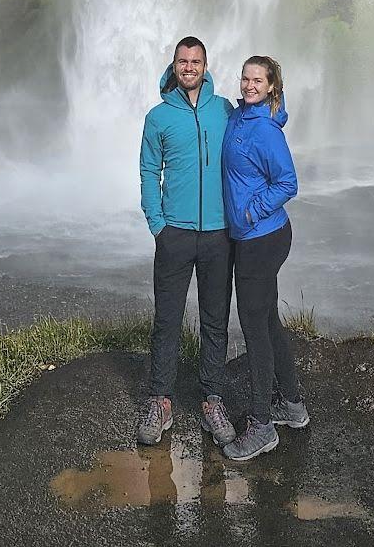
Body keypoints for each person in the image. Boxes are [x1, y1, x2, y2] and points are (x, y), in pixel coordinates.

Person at [137, 37, 237, 450]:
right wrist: (157, 224)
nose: (189, 67)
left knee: (215, 320)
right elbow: (148, 172)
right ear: (174, 65)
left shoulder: (225, 110)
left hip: (218, 233)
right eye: (183, 61)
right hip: (174, 234)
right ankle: (160, 401)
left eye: (196, 61)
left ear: (205, 65)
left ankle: (212, 401)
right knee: (167, 319)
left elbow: (263, 119)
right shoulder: (158, 117)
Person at [220, 55, 306, 463]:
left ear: (272, 86)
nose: (249, 85)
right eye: (245, 78)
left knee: (254, 328)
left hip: (262, 238)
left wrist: (252, 211)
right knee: (268, 319)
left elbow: (288, 182)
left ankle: (261, 427)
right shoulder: (240, 116)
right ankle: (292, 405)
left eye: (258, 80)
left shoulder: (266, 130)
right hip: (255, 236)